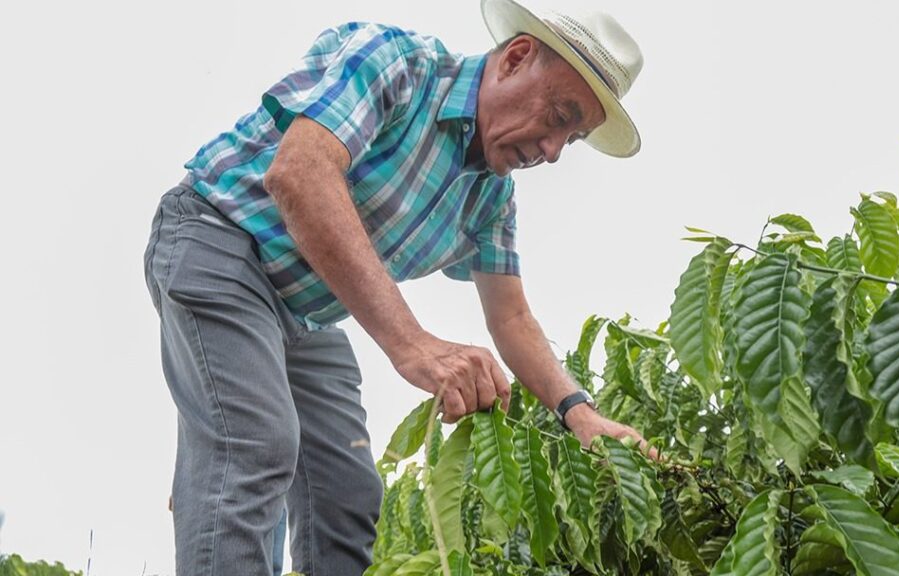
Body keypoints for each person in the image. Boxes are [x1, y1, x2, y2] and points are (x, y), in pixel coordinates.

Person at [142, 0, 647, 574]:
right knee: (255, 444)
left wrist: (580, 413)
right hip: (221, 241)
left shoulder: (490, 198)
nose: (552, 152)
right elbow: (300, 172)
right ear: (516, 58)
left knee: (347, 492)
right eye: (558, 116)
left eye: (572, 139)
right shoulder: (399, 66)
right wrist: (413, 344)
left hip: (305, 314)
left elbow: (511, 317)